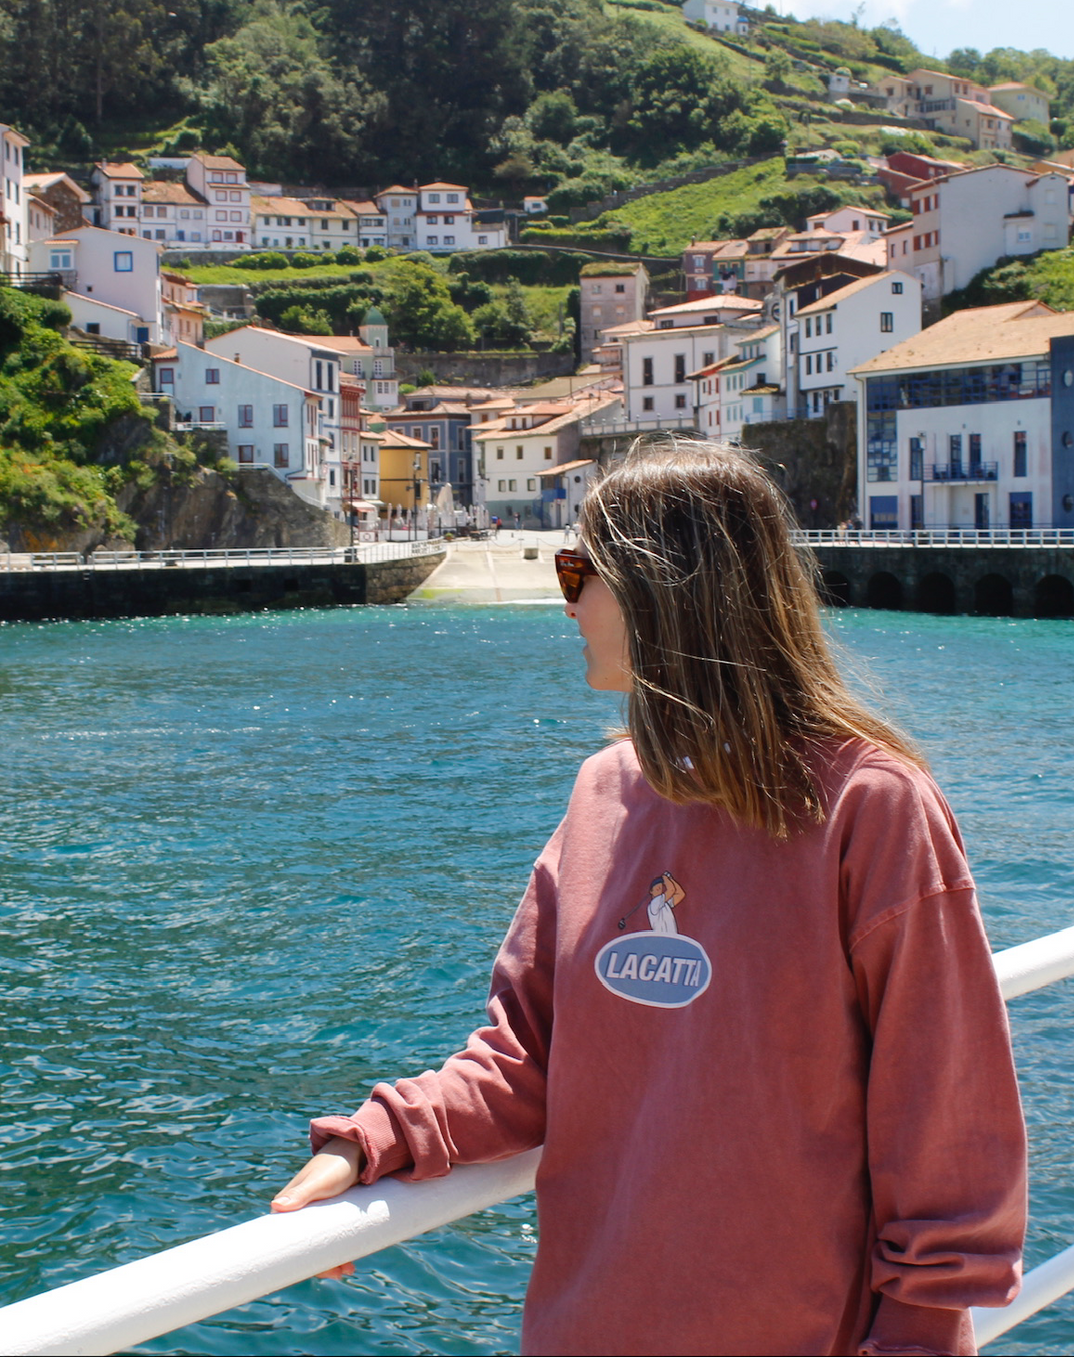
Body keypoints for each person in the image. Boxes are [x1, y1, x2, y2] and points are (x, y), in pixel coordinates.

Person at [272, 438, 1027, 1356]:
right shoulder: (601, 794)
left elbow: (944, 1118)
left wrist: (914, 1334)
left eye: (578, 569)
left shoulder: (871, 808)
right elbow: (526, 1058)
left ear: (667, 590)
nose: (568, 600)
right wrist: (371, 1141)